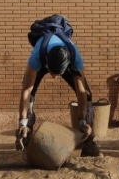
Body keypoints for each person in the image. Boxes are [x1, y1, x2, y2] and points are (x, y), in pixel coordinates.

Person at [16, 18, 100, 157]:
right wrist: (22, 122)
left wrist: (83, 120)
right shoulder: (36, 58)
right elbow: (26, 91)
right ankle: (26, 135)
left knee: (88, 94)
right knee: (30, 95)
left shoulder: (75, 59)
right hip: (44, 59)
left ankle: (88, 140)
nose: (54, 78)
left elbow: (81, 92)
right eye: (52, 73)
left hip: (64, 59)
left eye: (58, 74)